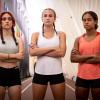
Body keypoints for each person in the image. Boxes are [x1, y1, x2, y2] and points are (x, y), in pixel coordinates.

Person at [29, 8, 66, 100]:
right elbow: (32, 52)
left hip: (57, 72)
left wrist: (40, 50)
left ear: (54, 18)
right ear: (42, 18)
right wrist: (53, 48)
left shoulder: (61, 34)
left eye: (50, 15)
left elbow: (62, 52)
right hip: (40, 73)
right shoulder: (35, 34)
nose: (48, 18)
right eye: (45, 16)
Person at [70, 11, 100, 100]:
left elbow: (99, 59)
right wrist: (93, 56)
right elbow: (73, 59)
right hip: (81, 77)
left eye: (89, 20)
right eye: (84, 20)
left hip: (98, 77)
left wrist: (80, 57)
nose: (86, 22)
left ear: (95, 21)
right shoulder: (78, 39)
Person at [0, 11, 24, 100]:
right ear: (0, 22)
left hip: (14, 73)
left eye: (9, 19)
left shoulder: (18, 40)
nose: (7, 21)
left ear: (13, 23)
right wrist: (14, 56)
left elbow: (20, 56)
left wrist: (3, 56)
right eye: (4, 19)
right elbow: (17, 56)